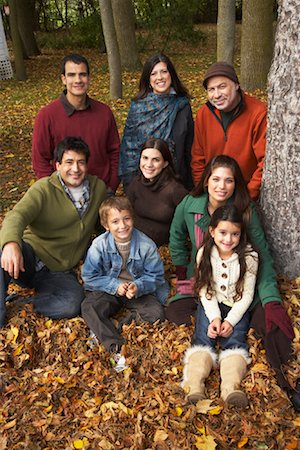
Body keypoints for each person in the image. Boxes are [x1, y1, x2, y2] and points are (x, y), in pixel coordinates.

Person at [167, 155, 299, 411]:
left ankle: (272, 381)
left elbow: (261, 255)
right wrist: (184, 278)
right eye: (216, 179)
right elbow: (176, 238)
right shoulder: (190, 205)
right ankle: (195, 380)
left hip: (239, 288)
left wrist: (270, 298)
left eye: (229, 180)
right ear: (206, 181)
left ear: (235, 184)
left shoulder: (245, 211)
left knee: (267, 323)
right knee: (177, 313)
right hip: (206, 281)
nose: (221, 186)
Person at [0, 136, 107, 326]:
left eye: (81, 162)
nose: (75, 168)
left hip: (58, 270)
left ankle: (23, 303)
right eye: (69, 162)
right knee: (2, 249)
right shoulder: (43, 189)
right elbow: (17, 216)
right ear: (57, 165)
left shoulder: (98, 189)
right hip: (29, 257)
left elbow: (106, 223)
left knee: (72, 304)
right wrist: (11, 244)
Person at [182, 204, 258, 407]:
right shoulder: (204, 254)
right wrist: (215, 317)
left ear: (241, 235)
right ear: (212, 231)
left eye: (235, 234)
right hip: (211, 303)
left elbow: (247, 295)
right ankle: (195, 386)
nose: (228, 239)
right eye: (223, 232)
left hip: (236, 306)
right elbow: (204, 289)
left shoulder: (249, 258)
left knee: (235, 341)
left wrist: (231, 320)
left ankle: (231, 389)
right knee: (203, 338)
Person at [81, 196, 169, 371]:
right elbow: (89, 276)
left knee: (156, 313)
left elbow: (157, 276)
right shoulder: (99, 245)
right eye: (115, 221)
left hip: (135, 290)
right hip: (109, 289)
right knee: (89, 306)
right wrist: (114, 286)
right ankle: (115, 347)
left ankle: (108, 329)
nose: (122, 226)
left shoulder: (146, 245)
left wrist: (139, 286)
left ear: (132, 218)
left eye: (126, 219)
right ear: (106, 225)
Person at [32, 53, 120, 193]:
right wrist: (55, 192)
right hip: (63, 197)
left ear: (89, 78)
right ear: (63, 79)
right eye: (72, 75)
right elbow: (40, 161)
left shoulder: (104, 113)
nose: (78, 80)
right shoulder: (47, 115)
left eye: (82, 74)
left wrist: (111, 186)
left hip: (101, 192)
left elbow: (115, 152)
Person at [118, 53, 194, 192]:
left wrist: (191, 186)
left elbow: (188, 149)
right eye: (153, 74)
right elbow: (129, 149)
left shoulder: (182, 105)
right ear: (148, 79)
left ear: (171, 74)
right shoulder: (138, 108)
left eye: (164, 71)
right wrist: (131, 186)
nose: (159, 77)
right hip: (143, 184)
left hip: (175, 183)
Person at [191, 61, 266, 200]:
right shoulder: (204, 114)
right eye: (211, 89)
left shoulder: (258, 113)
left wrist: (247, 197)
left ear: (237, 85)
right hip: (213, 194)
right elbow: (198, 158)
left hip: (245, 194)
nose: (217, 94)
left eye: (222, 87)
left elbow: (265, 162)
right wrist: (204, 192)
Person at [127, 138, 188, 246]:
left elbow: (189, 223)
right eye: (145, 158)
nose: (149, 164)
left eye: (156, 160)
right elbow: (127, 212)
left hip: (162, 249)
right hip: (133, 242)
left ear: (165, 163)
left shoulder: (175, 190)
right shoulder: (136, 183)